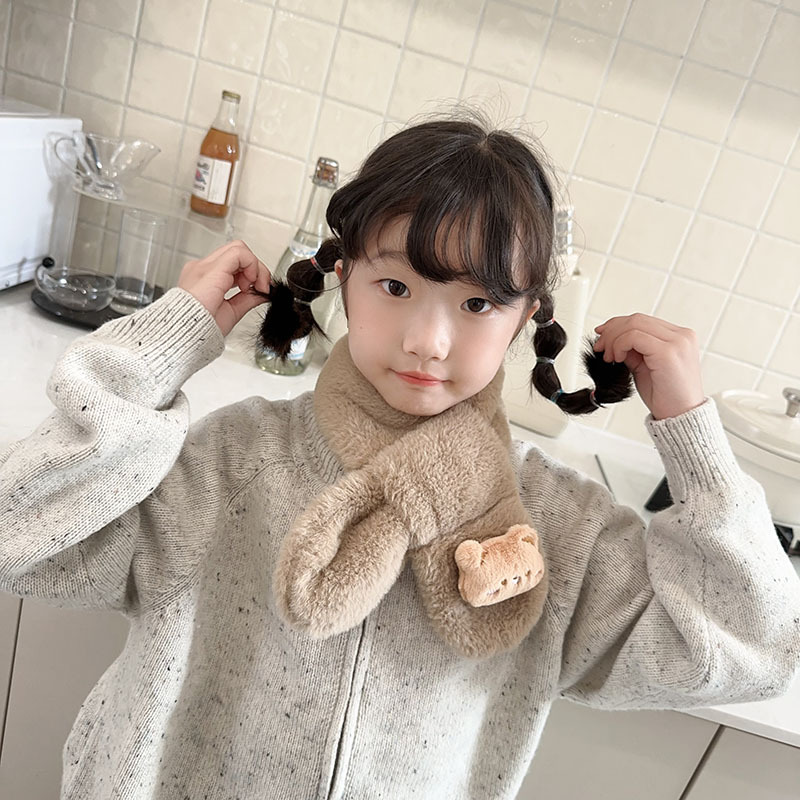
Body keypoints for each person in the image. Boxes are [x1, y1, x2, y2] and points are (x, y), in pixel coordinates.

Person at [1, 112, 799, 800]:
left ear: (526, 317)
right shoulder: (235, 461)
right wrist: (160, 346)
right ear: (344, 276)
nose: (428, 340)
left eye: (478, 302)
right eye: (396, 287)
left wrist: (695, 440)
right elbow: (20, 534)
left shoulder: (561, 527)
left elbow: (753, 651)